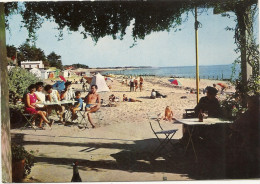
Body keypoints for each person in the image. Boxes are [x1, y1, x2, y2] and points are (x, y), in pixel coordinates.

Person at [227, 95, 260, 177]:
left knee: (231, 138)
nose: (248, 104)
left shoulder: (249, 113)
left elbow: (234, 125)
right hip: (256, 141)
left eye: (249, 103)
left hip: (249, 142)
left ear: (252, 104)